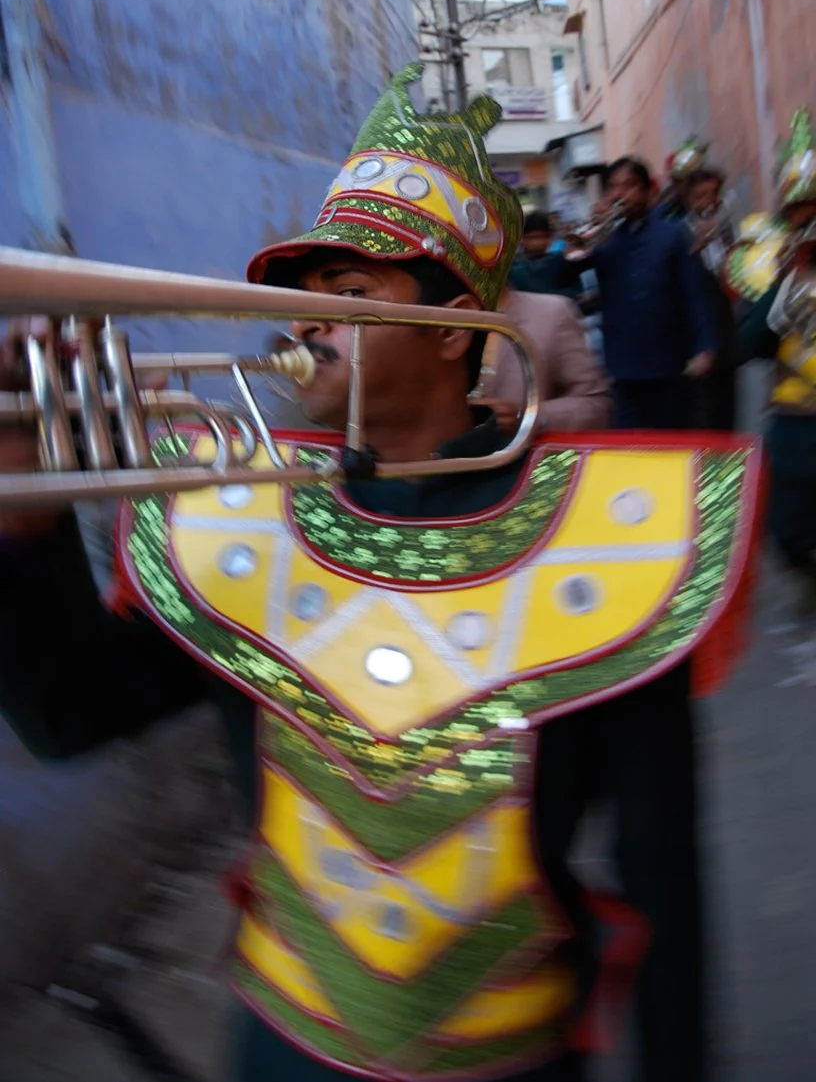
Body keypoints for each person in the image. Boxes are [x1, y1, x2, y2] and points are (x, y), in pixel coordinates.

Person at [0, 64, 762, 1082]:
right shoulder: (240, 519)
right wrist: (24, 515)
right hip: (282, 1052)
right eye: (305, 301)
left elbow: (666, 895)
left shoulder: (617, 542)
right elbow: (66, 715)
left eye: (350, 296)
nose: (309, 324)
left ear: (456, 331)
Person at [568, 156, 717, 430]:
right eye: (614, 187)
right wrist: (583, 238)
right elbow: (565, 275)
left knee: (672, 443)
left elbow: (694, 294)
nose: (620, 194)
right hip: (623, 364)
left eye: (629, 186)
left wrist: (705, 347)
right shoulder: (603, 238)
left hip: (670, 362)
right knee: (631, 447)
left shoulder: (672, 235)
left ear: (648, 191)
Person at [737, 107, 816, 621]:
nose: (808, 225)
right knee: (784, 527)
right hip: (794, 418)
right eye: (799, 216)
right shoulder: (775, 271)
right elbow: (748, 345)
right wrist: (788, 274)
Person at [473, 286, 611, 432]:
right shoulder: (449, 318)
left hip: (522, 451)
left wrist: (527, 417)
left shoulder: (550, 313)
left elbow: (596, 406)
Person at [683, 167, 739, 430]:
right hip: (695, 341)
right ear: (689, 200)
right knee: (703, 417)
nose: (708, 202)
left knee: (727, 413)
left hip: (727, 333)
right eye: (700, 196)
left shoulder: (728, 229)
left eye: (713, 195)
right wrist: (699, 245)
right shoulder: (680, 234)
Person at [510, 210, 581, 301]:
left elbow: (576, 292)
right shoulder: (514, 268)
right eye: (533, 237)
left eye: (544, 237)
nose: (539, 242)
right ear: (521, 239)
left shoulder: (561, 261)